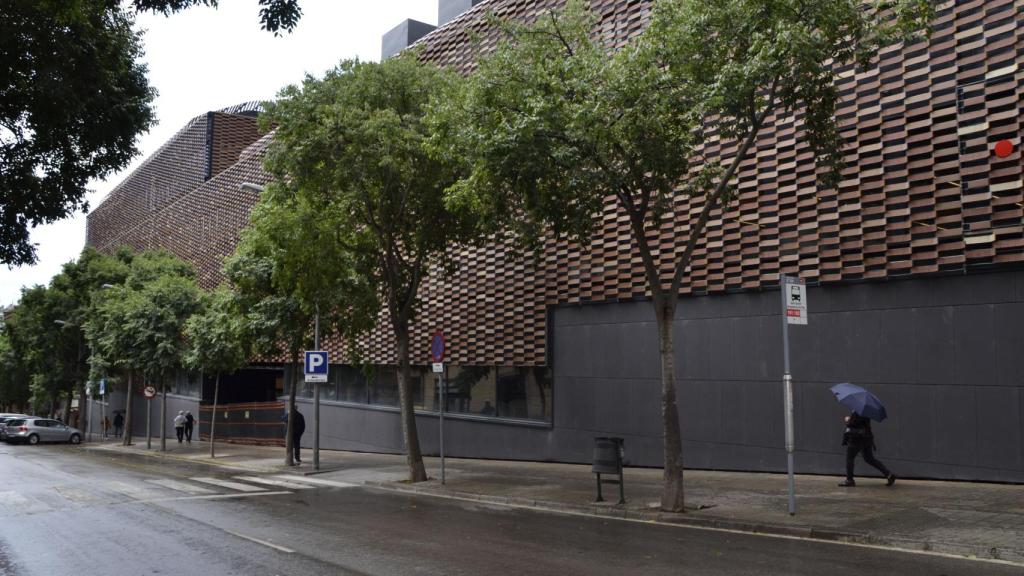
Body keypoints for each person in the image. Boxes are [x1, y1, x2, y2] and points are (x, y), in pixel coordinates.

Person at [839, 410, 896, 487]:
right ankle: (889, 475)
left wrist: (848, 420)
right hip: (866, 438)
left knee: (850, 459)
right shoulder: (866, 411)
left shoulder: (858, 410)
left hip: (856, 439)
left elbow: (854, 424)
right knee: (869, 459)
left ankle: (849, 480)